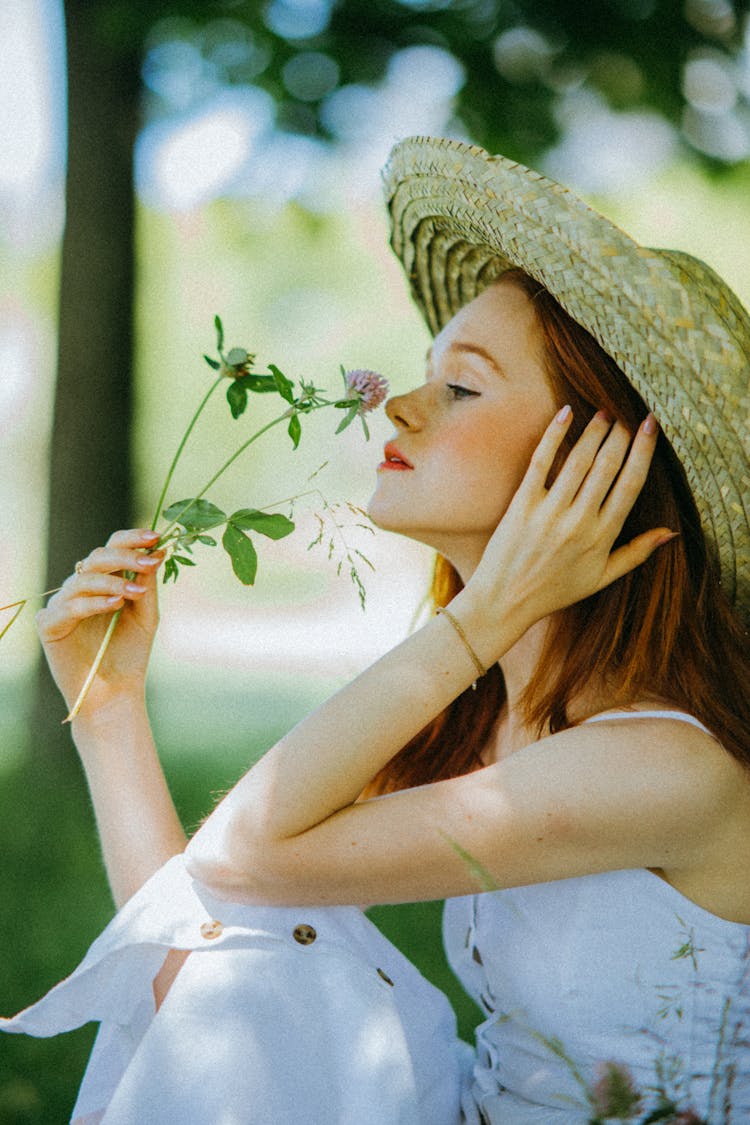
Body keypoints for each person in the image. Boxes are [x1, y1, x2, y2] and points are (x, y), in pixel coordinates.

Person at [2, 136, 749, 1124]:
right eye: (423, 372)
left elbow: (241, 857)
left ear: (594, 461)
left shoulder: (667, 766)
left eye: (463, 386)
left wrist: (484, 614)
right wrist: (109, 710)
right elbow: (213, 946)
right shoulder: (506, 720)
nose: (395, 406)